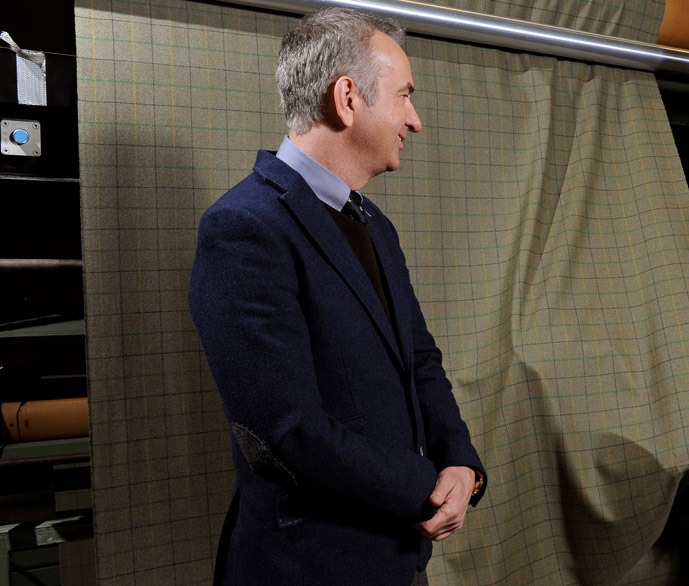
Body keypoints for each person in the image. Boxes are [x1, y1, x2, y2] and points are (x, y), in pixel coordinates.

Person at [188, 7, 486, 585]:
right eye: (403, 95)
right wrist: (426, 486)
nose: (415, 119)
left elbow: (420, 362)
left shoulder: (376, 224)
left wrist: (460, 463)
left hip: (396, 561)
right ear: (348, 98)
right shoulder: (243, 228)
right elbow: (287, 429)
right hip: (307, 568)